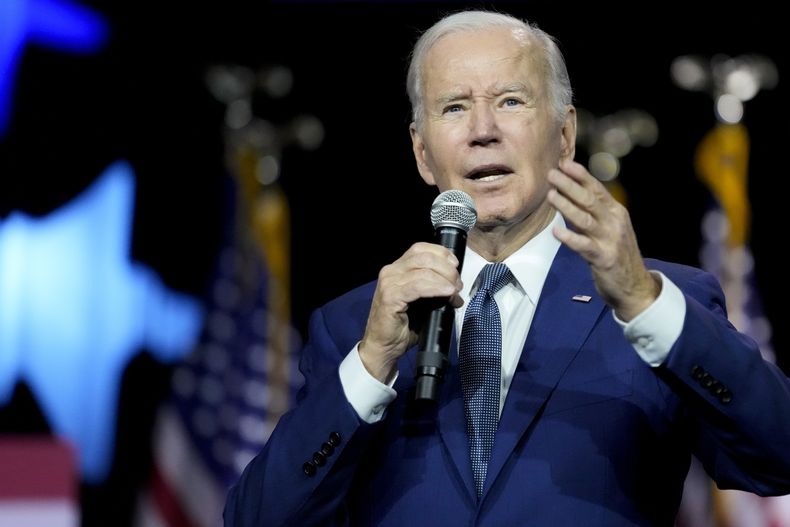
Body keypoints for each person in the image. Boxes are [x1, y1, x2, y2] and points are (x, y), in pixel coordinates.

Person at [223, 9, 790, 526]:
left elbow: (778, 457)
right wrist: (371, 364)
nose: (482, 130)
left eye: (511, 101)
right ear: (422, 154)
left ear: (564, 136)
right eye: (454, 107)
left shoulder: (657, 303)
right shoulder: (353, 327)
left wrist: (645, 302)